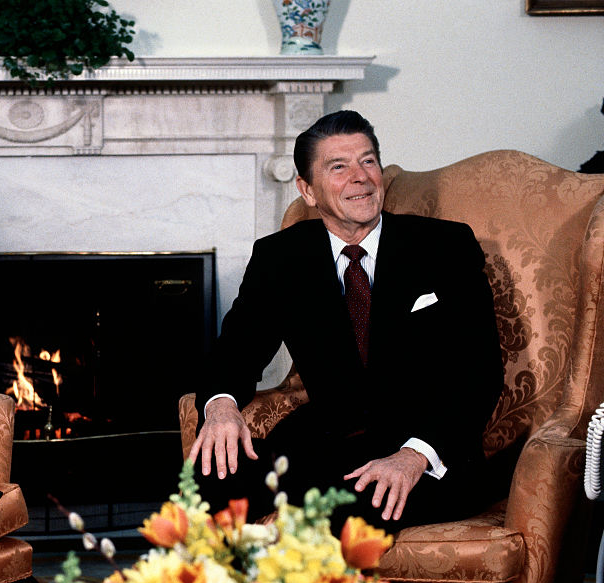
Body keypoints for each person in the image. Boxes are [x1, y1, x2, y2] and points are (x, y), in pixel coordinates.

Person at [188, 110, 503, 532]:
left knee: (352, 507)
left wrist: (414, 455)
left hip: (428, 450)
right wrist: (222, 406)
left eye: (368, 161)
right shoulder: (279, 257)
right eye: (339, 167)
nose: (361, 177)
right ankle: (245, 569)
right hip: (328, 445)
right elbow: (235, 352)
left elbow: (481, 372)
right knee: (205, 478)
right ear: (307, 190)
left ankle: (305, 538)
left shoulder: (445, 245)